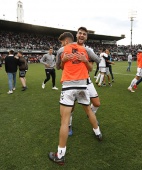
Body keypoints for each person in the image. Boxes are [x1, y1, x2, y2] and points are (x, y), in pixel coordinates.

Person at [48, 32, 102, 165]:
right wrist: (85, 59)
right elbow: (99, 60)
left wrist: (64, 60)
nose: (61, 45)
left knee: (64, 121)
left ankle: (60, 155)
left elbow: (57, 66)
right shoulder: (86, 49)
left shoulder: (61, 50)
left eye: (62, 42)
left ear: (66, 41)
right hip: (83, 85)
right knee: (89, 111)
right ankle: (98, 133)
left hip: (68, 86)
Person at [68, 27, 101, 135]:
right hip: (72, 82)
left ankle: (91, 115)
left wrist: (85, 60)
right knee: (71, 107)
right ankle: (68, 125)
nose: (82, 35)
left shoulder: (88, 50)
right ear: (76, 35)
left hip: (86, 80)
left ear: (86, 37)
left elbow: (91, 68)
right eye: (80, 33)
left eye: (84, 34)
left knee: (96, 103)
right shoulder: (70, 47)